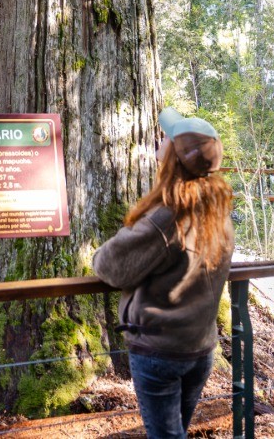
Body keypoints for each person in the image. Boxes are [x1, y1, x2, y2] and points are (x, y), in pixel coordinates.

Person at [92, 107, 234, 439]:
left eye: (167, 137)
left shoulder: (168, 218)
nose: (160, 139)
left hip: (161, 351)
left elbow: (110, 267)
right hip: (199, 348)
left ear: (173, 156)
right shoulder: (219, 212)